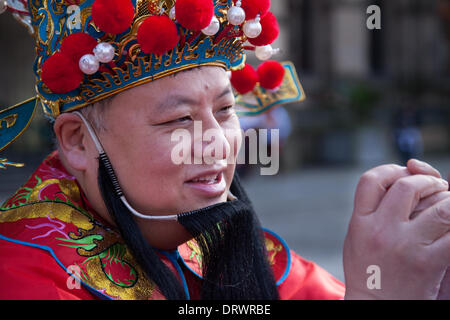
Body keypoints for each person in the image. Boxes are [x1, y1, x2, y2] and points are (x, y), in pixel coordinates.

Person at [0, 0, 450, 301]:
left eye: (226, 109)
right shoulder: (21, 276)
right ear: (78, 141)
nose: (216, 141)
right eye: (178, 120)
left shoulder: (215, 241)